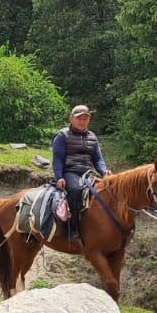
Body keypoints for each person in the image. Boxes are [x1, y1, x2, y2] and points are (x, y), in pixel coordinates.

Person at [52, 104, 107, 243]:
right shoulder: (62, 136)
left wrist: (104, 171)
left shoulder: (92, 137)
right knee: (75, 191)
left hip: (89, 173)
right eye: (79, 118)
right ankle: (73, 228)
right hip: (71, 172)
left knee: (107, 191)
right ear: (71, 119)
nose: (83, 121)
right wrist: (59, 177)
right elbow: (57, 159)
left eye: (85, 119)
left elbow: (98, 159)